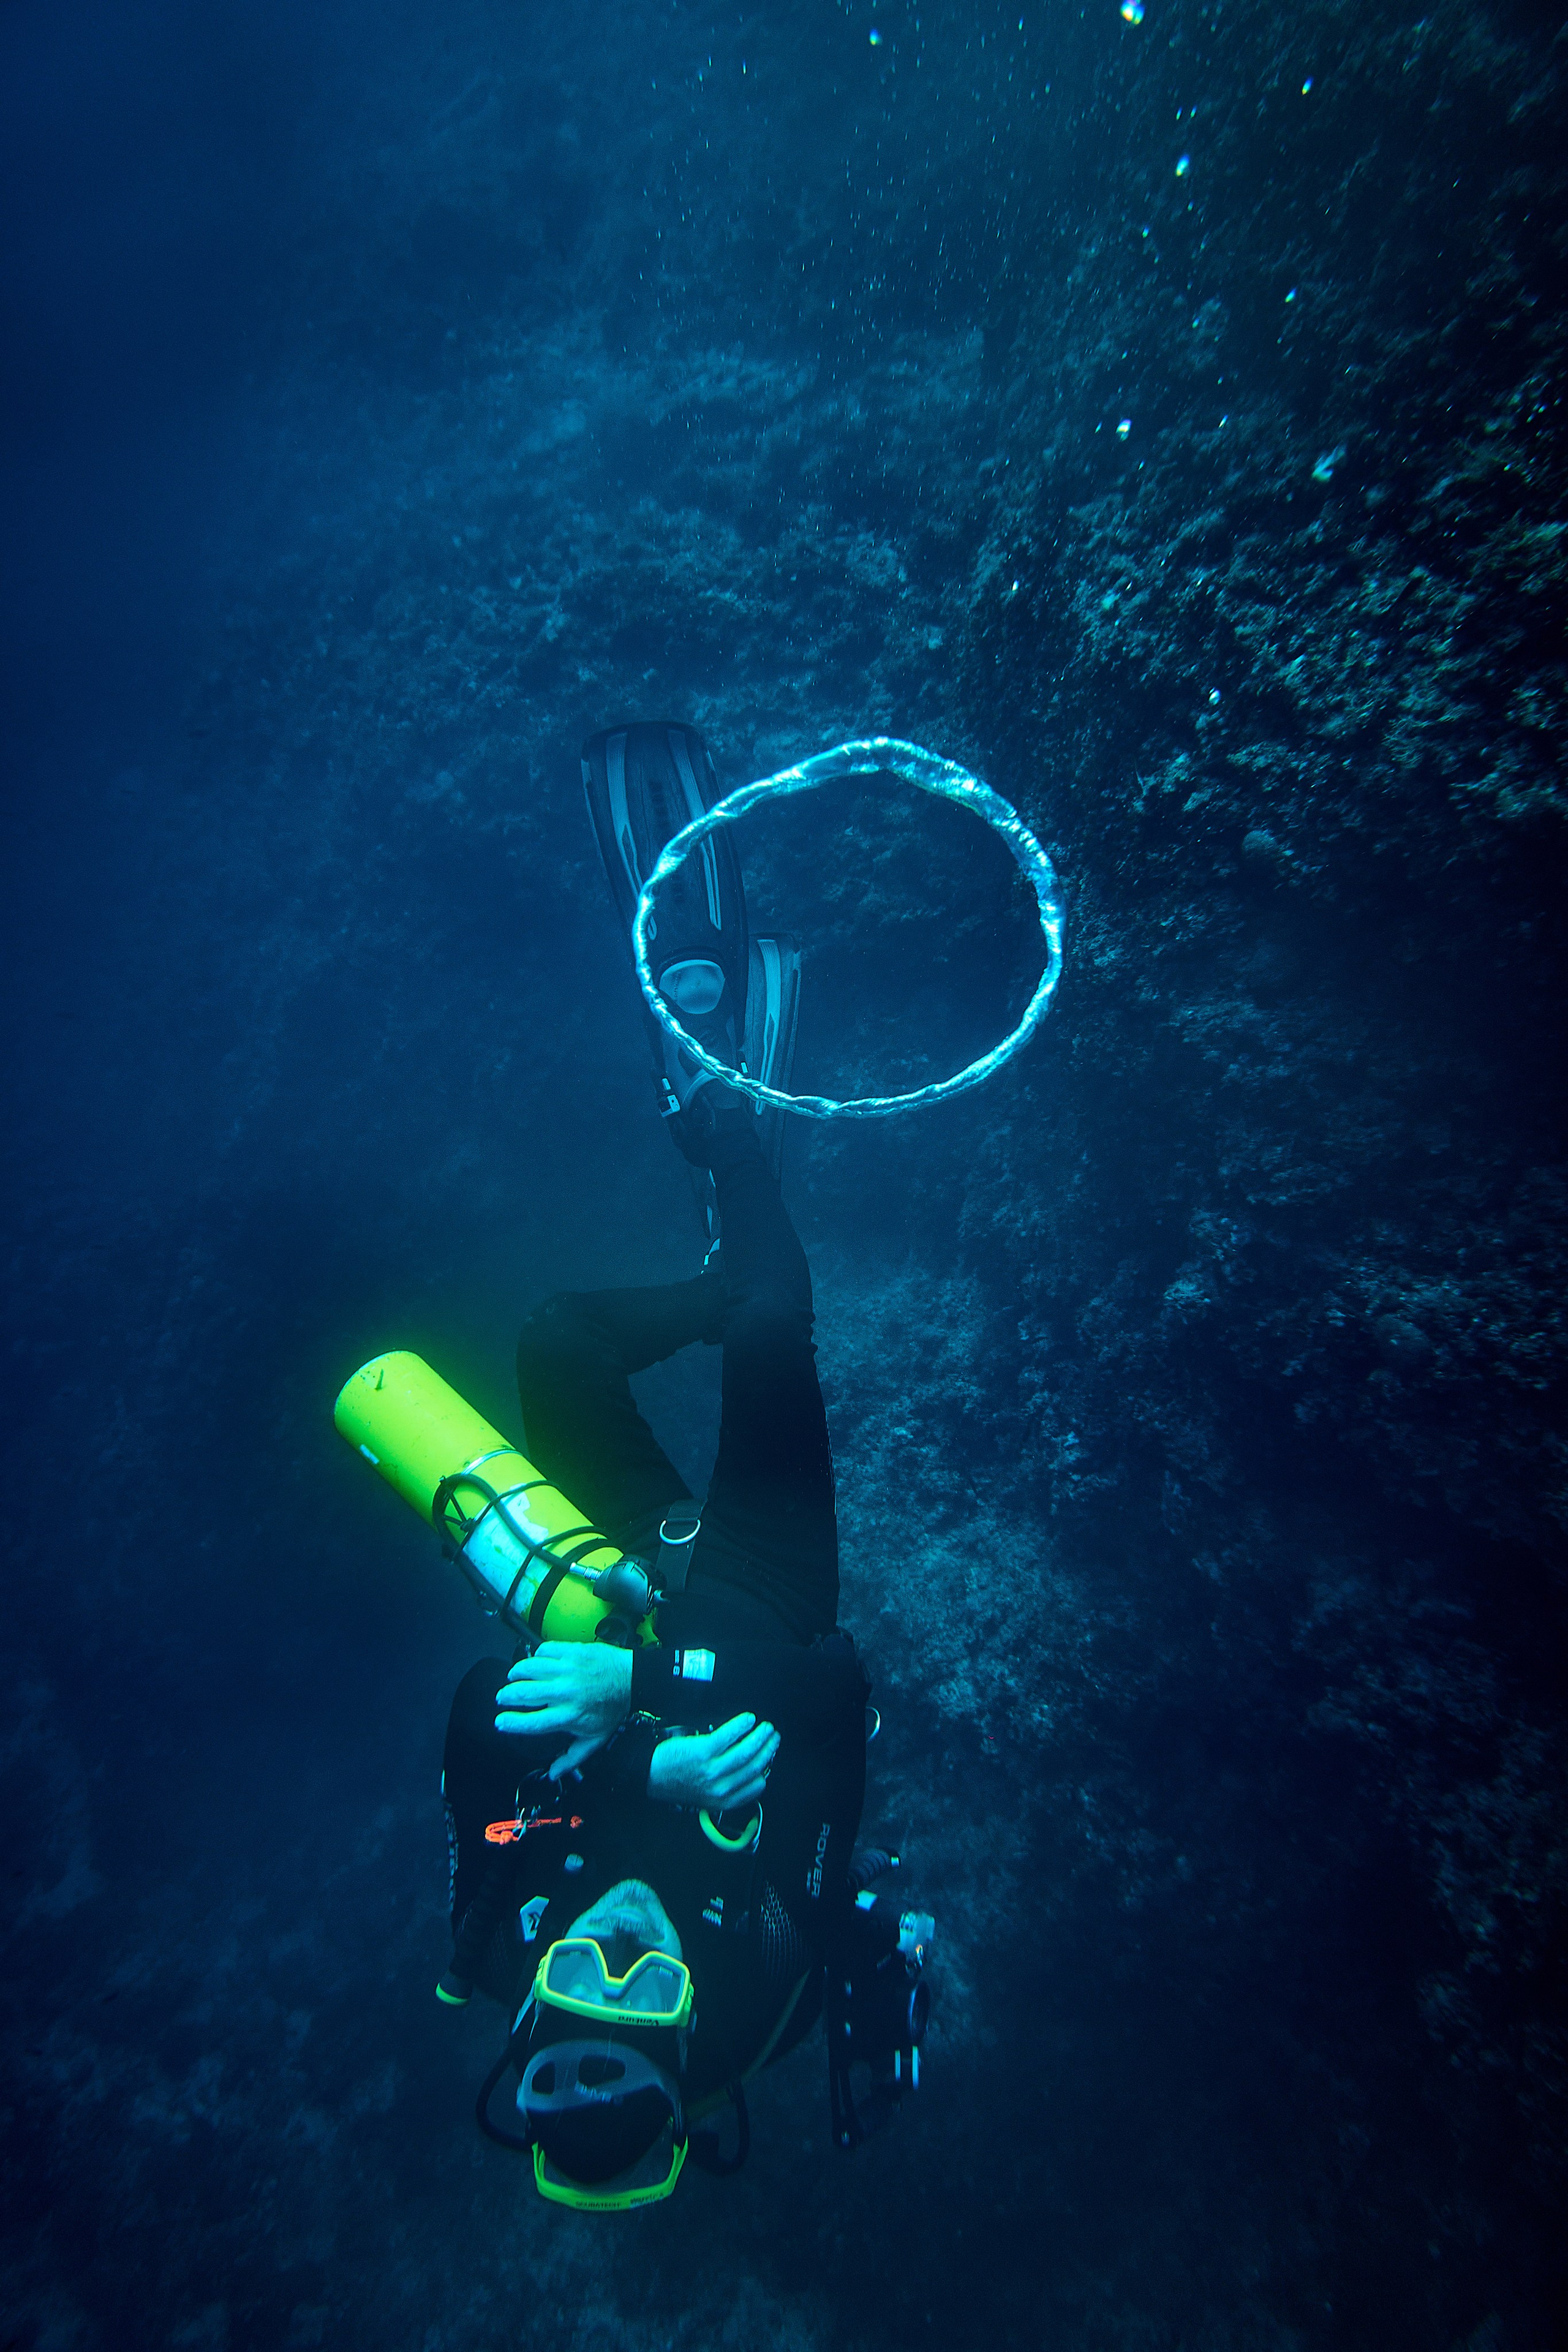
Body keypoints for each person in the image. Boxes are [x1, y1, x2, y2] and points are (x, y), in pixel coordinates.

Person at [437, 723, 930, 2211]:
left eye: (572, 1998)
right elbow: (834, 1691)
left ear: (529, 2028)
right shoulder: (771, 1970)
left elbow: (477, 1749)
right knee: (780, 1325)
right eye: (639, 2003)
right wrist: (654, 1701)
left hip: (623, 1592)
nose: (614, 1954)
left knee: (555, 1340)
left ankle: (728, 1260)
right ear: (681, 2046)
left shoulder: (511, 1925)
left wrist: (625, 1742)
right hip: (764, 1611)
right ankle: (736, 1149)